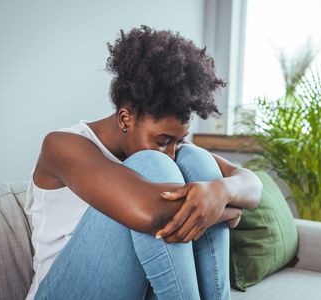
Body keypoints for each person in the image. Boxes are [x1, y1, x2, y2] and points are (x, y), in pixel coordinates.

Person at [24, 25, 263, 300]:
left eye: (178, 139)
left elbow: (251, 184)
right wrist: (225, 211)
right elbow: (150, 213)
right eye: (162, 140)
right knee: (152, 165)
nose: (171, 152)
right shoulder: (62, 145)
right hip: (62, 291)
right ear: (126, 118)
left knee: (197, 160)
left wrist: (222, 192)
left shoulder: (173, 148)